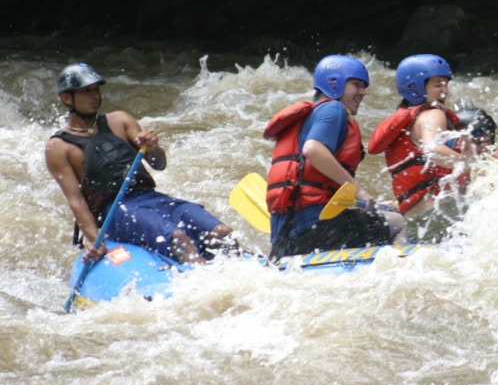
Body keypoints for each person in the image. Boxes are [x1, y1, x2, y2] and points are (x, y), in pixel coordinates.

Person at [46, 63, 237, 265]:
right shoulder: (59, 147)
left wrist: (153, 147)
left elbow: (159, 164)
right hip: (114, 212)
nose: (95, 96)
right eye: (86, 91)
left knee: (223, 233)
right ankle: (202, 280)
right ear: (67, 98)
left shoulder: (120, 120)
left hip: (151, 198)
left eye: (96, 90)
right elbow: (76, 201)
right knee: (180, 240)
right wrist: (95, 240)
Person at [264, 55, 406, 259]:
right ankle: (399, 269)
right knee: (397, 221)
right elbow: (313, 150)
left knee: (375, 214)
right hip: (319, 230)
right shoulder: (334, 108)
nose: (363, 92)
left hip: (285, 240)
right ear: (333, 83)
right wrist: (361, 192)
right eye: (356, 85)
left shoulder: (308, 118)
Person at [368, 54, 469, 224]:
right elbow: (432, 148)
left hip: (416, 218)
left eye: (446, 85)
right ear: (415, 88)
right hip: (440, 212)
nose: (446, 91)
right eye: (438, 85)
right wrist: (474, 166)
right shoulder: (433, 113)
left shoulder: (409, 121)